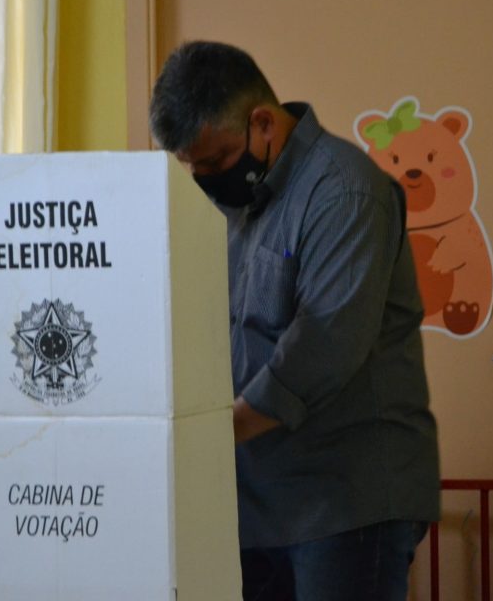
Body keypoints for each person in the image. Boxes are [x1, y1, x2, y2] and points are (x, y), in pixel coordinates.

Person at [149, 41, 440, 601]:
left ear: (262, 123)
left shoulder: (344, 191)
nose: (205, 179)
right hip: (258, 501)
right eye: (192, 167)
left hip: (347, 502)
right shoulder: (238, 202)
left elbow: (325, 345)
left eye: (213, 161)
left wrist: (209, 435)